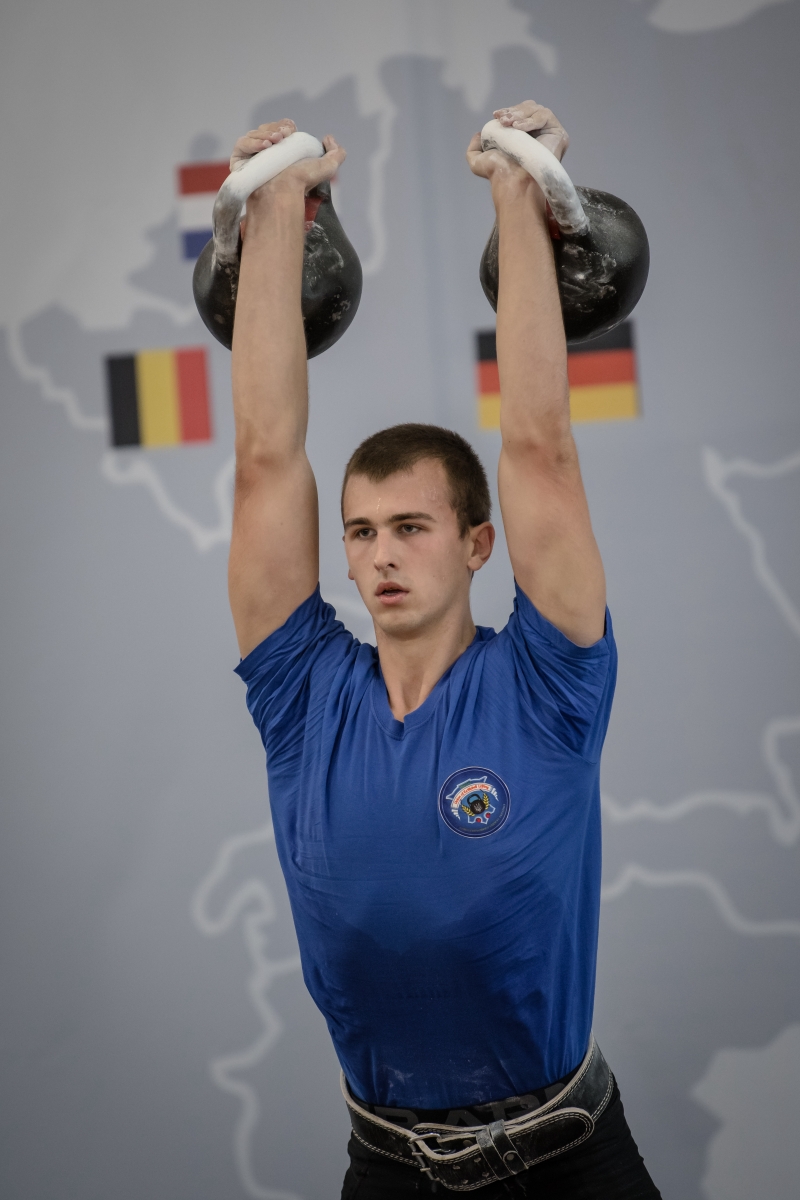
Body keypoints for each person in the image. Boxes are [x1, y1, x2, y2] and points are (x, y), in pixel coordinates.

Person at [228, 101, 661, 1199]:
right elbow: (266, 457)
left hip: (567, 1164)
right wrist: (276, 211)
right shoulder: (301, 696)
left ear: (476, 545)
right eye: (361, 532)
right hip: (386, 1168)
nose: (380, 554)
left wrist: (518, 189)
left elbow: (539, 446)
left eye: (411, 527)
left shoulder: (549, 685)